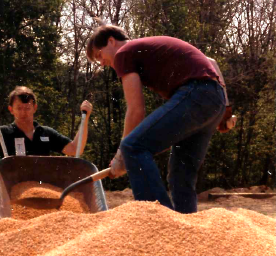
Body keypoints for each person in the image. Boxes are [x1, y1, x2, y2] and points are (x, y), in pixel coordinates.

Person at [86, 25, 232, 214]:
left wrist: (121, 155)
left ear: (111, 41)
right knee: (181, 174)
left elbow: (136, 110)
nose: (102, 63)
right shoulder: (147, 49)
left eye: (99, 55)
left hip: (196, 93)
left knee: (133, 146)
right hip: (213, 99)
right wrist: (226, 108)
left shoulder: (123, 53)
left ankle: (157, 221)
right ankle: (186, 230)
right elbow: (210, 61)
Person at [0, 86, 93, 157]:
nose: (23, 112)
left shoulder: (46, 133)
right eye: (19, 108)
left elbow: (75, 149)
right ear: (11, 110)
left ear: (34, 108)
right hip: (13, 192)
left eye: (27, 108)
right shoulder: (3, 133)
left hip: (43, 190)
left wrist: (85, 119)